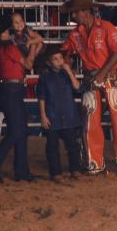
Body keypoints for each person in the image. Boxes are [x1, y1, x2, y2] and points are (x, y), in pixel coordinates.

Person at [60, 0, 117, 175]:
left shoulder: (106, 27)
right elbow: (65, 51)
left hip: (106, 76)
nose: (73, 16)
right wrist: (65, 59)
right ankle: (96, 162)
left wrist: (101, 74)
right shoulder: (75, 34)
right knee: (91, 120)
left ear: (85, 11)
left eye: (75, 12)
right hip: (94, 77)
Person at [0, 19, 34, 183]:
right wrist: (34, 47)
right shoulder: (9, 48)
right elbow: (28, 65)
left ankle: (20, 170)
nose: (9, 32)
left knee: (18, 130)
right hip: (13, 89)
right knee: (17, 131)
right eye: (6, 31)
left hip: (9, 89)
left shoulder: (0, 48)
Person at [36, 46, 84, 180]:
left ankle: (75, 169)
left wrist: (69, 71)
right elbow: (41, 98)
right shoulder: (44, 77)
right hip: (52, 115)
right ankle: (55, 172)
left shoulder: (67, 74)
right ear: (49, 62)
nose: (59, 61)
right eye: (55, 59)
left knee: (72, 145)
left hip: (68, 114)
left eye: (60, 58)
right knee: (52, 146)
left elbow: (78, 88)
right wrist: (43, 116)